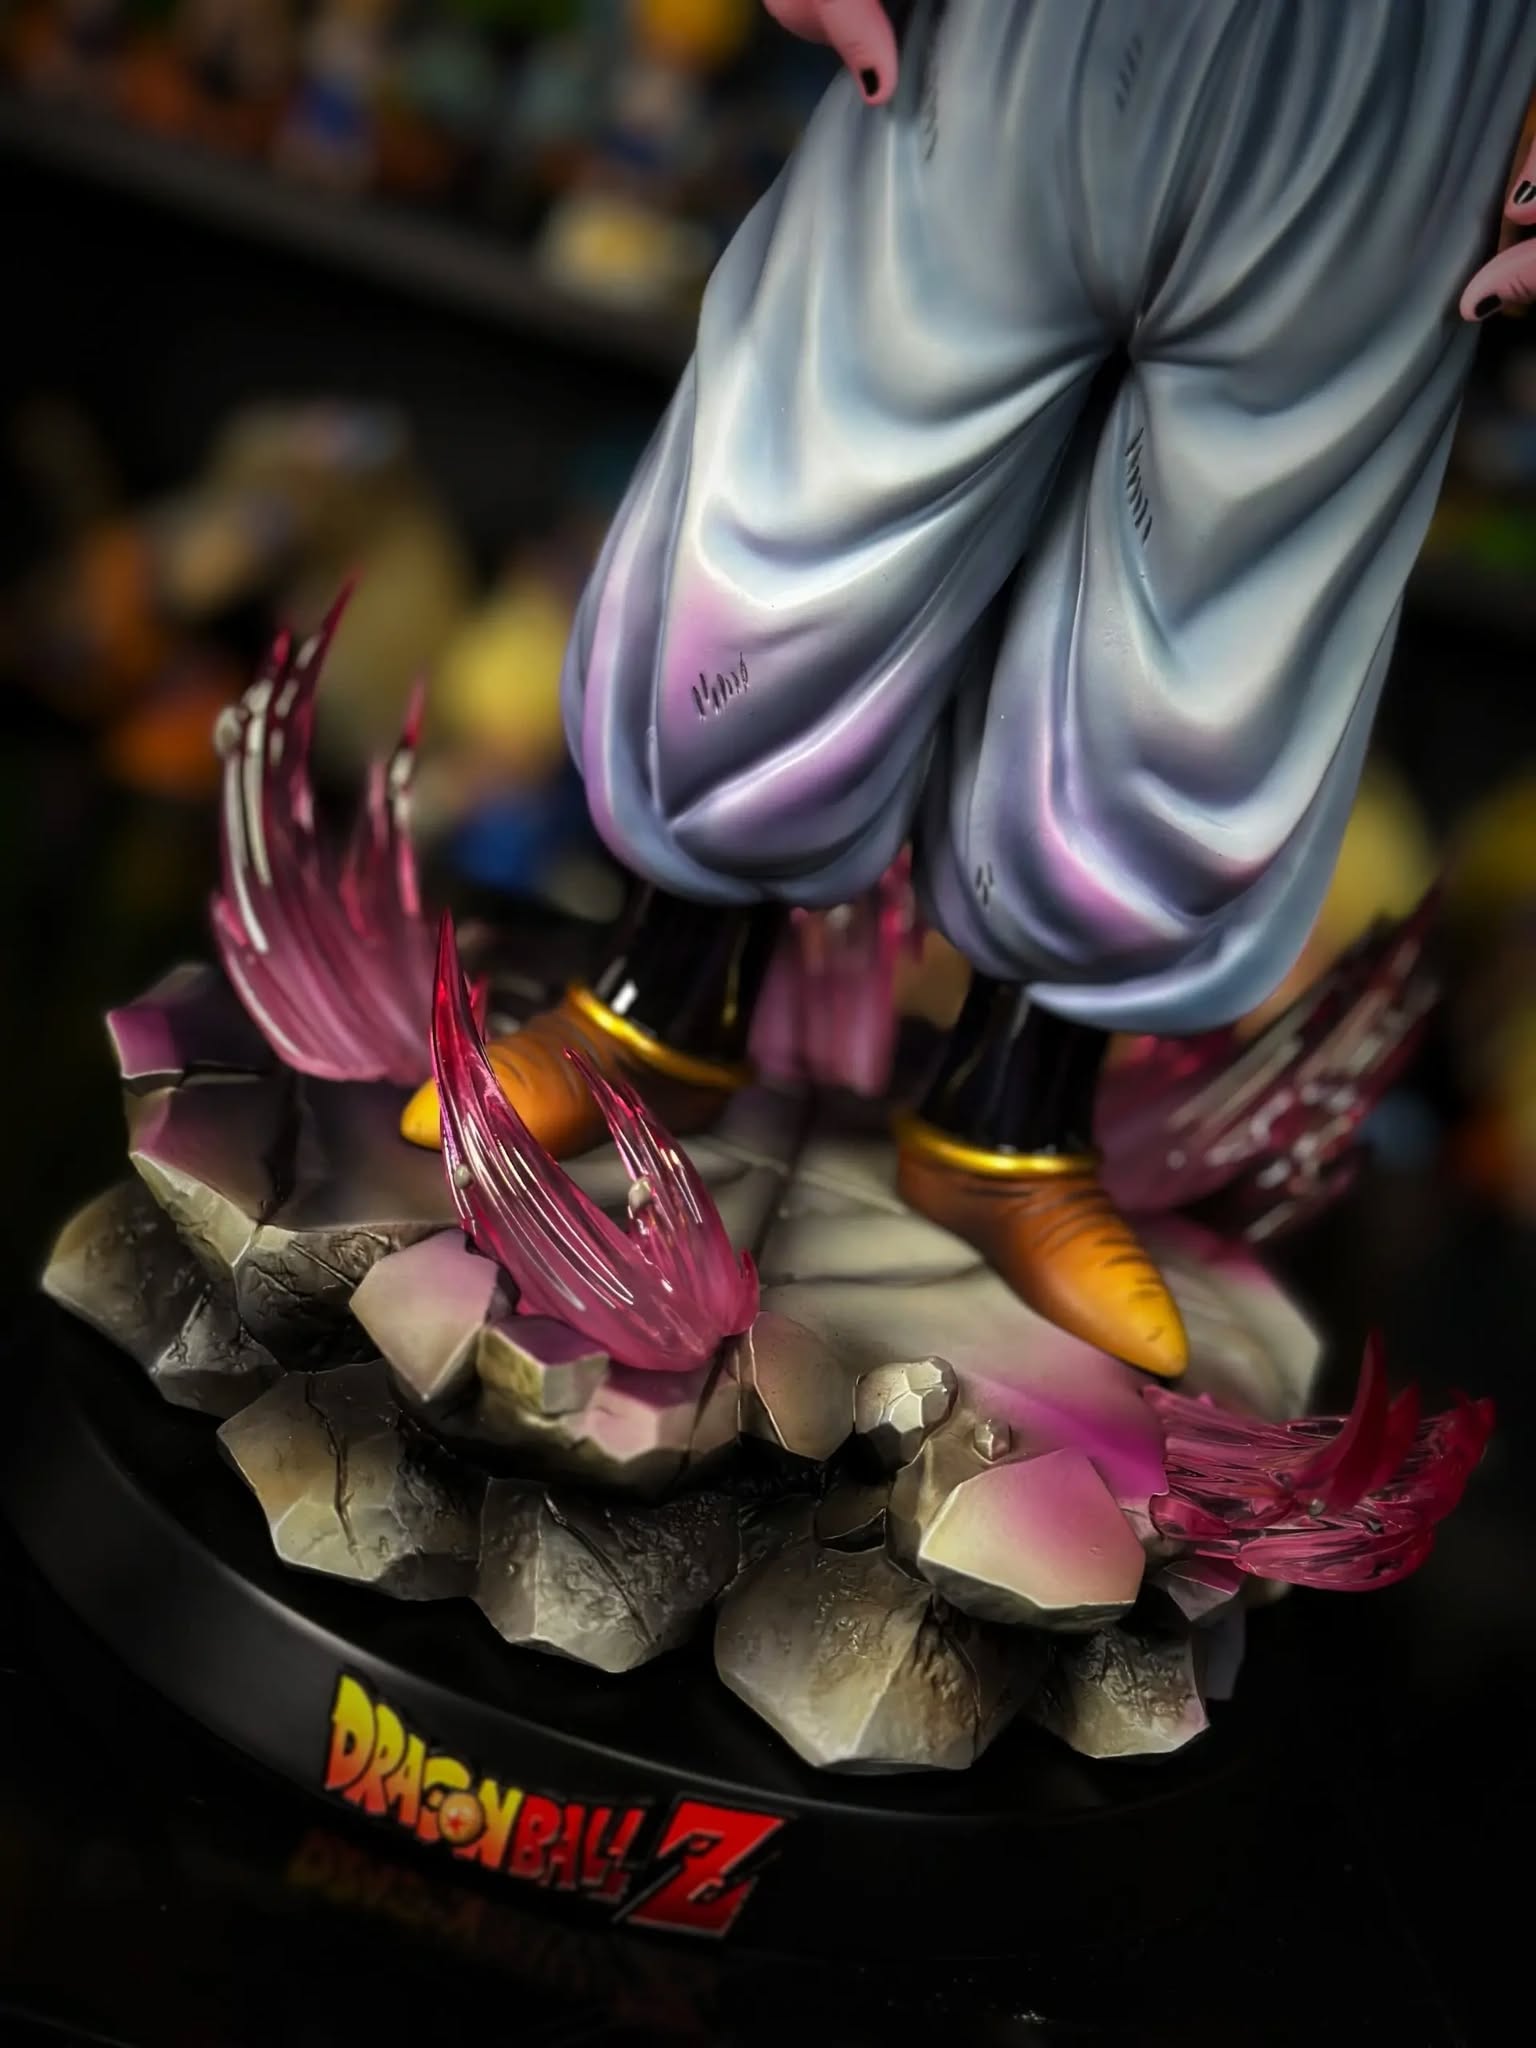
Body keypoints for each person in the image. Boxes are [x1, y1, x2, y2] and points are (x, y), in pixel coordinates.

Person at [405, 0, 1536, 1382]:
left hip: (1411, 76)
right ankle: (660, 992)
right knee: (829, 463)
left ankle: (1015, 1120)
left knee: (1227, 608)